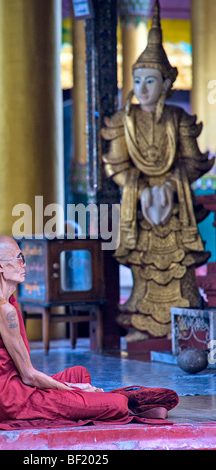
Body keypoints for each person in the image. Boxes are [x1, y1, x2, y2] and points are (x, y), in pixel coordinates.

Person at [0, 234, 178, 430]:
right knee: (116, 404)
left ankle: (90, 398)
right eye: (19, 258)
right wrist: (75, 389)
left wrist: (75, 386)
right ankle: (99, 399)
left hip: (5, 390)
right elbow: (28, 377)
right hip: (13, 401)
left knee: (79, 373)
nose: (24, 264)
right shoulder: (5, 310)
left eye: (23, 258)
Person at [101, 0, 214, 341]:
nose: (143, 88)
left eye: (151, 80)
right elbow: (117, 164)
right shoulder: (125, 122)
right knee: (144, 267)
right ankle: (142, 324)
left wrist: (170, 183)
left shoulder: (177, 120)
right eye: (137, 80)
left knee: (180, 269)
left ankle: (182, 323)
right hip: (141, 204)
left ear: (167, 84)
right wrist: (140, 186)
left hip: (174, 204)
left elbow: (194, 163)